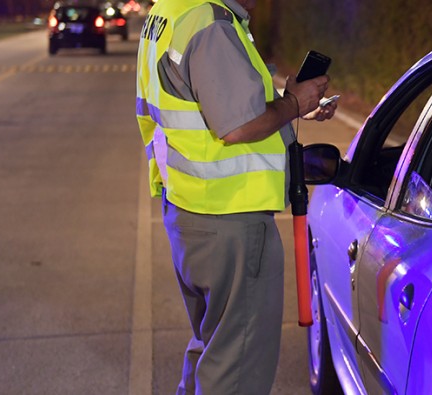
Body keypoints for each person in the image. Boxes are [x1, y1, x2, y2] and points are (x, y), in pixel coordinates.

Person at [134, 0, 336, 393]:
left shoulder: (170, 11)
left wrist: (290, 102)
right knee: (237, 370)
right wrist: (293, 104)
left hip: (191, 211)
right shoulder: (210, 24)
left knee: (213, 349)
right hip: (230, 218)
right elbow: (238, 125)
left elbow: (212, 97)